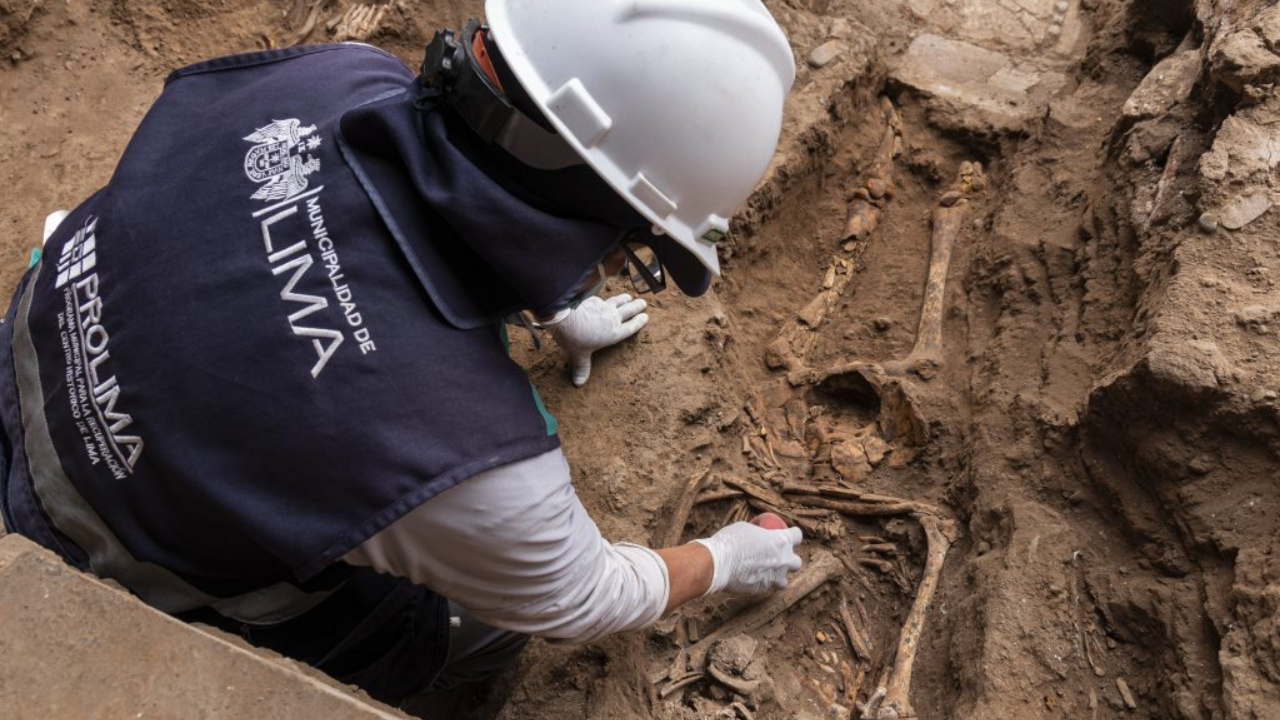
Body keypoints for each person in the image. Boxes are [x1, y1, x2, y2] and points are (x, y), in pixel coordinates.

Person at [0, 0, 802, 703]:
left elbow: (469, 176)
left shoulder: (334, 79)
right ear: (594, 226)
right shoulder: (470, 465)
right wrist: (726, 558)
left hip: (29, 345)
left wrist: (557, 302)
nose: (620, 265)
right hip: (87, 537)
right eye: (635, 248)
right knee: (483, 629)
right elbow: (584, 596)